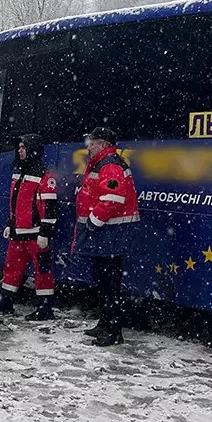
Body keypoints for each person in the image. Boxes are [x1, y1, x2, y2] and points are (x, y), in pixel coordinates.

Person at [73, 126, 140, 346]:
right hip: (106, 233)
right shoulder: (103, 163)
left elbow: (112, 198)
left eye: (92, 142)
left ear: (103, 144)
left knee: (109, 283)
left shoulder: (110, 165)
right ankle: (105, 324)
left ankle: (113, 331)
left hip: (109, 233)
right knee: (103, 282)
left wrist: (94, 220)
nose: (89, 146)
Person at [0, 135, 58, 320]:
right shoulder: (18, 171)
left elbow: (50, 207)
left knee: (42, 272)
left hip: (36, 235)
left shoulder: (45, 174)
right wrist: (11, 223)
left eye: (23, 147)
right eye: (19, 147)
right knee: (11, 268)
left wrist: (45, 232)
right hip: (19, 233)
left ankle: (45, 309)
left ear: (32, 149)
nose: (19, 150)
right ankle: (5, 302)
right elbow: (16, 203)